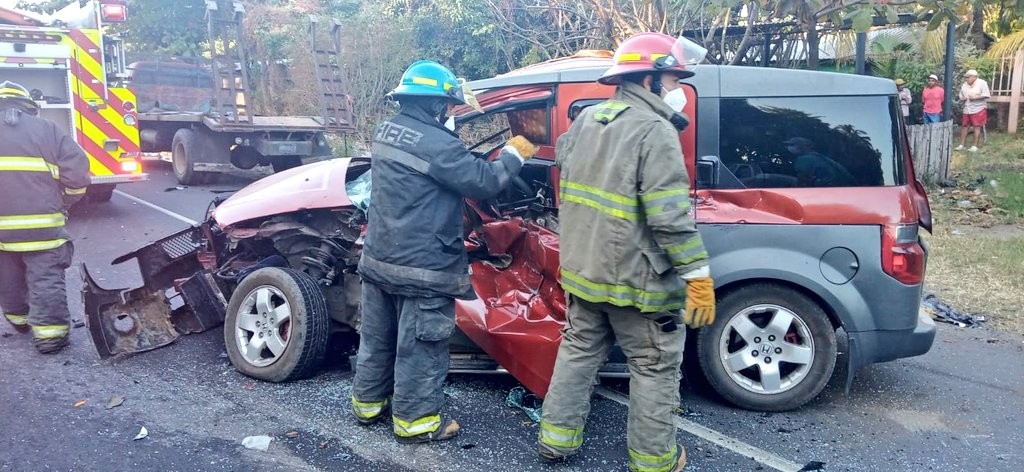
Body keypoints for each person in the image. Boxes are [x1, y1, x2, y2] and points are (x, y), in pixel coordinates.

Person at [538, 32, 715, 472]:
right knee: (654, 366)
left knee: (578, 352)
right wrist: (697, 276)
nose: (678, 91)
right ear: (651, 80)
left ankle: (555, 441)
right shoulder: (654, 131)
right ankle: (655, 461)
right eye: (674, 80)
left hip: (583, 271)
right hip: (637, 283)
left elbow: (565, 165)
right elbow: (669, 218)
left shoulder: (587, 120)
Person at [350, 60, 537, 444]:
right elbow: (485, 182)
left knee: (378, 340)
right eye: (449, 107)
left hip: (380, 259)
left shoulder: (387, 130)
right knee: (421, 345)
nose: (451, 113)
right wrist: (514, 153)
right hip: (423, 269)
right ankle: (416, 422)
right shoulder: (438, 143)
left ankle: (368, 406)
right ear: (436, 105)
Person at [0, 81, 89, 353]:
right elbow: (76, 175)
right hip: (44, 229)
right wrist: (65, 201)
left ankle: (18, 320)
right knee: (45, 279)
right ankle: (50, 337)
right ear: (28, 107)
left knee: (7, 279)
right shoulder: (47, 130)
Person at [784, 137, 856, 187]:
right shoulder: (822, 158)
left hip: (826, 191)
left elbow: (803, 183)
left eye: (793, 144)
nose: (789, 147)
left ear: (806, 146)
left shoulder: (804, 159)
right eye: (789, 145)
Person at [957, 69, 990, 152]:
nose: (966, 79)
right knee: (964, 126)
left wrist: (975, 98)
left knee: (976, 126)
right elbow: (960, 94)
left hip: (978, 108)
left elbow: (986, 95)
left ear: (974, 77)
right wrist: (962, 98)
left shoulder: (982, 83)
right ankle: (961, 145)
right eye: (965, 77)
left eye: (968, 77)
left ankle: (974, 146)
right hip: (967, 108)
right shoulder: (965, 84)